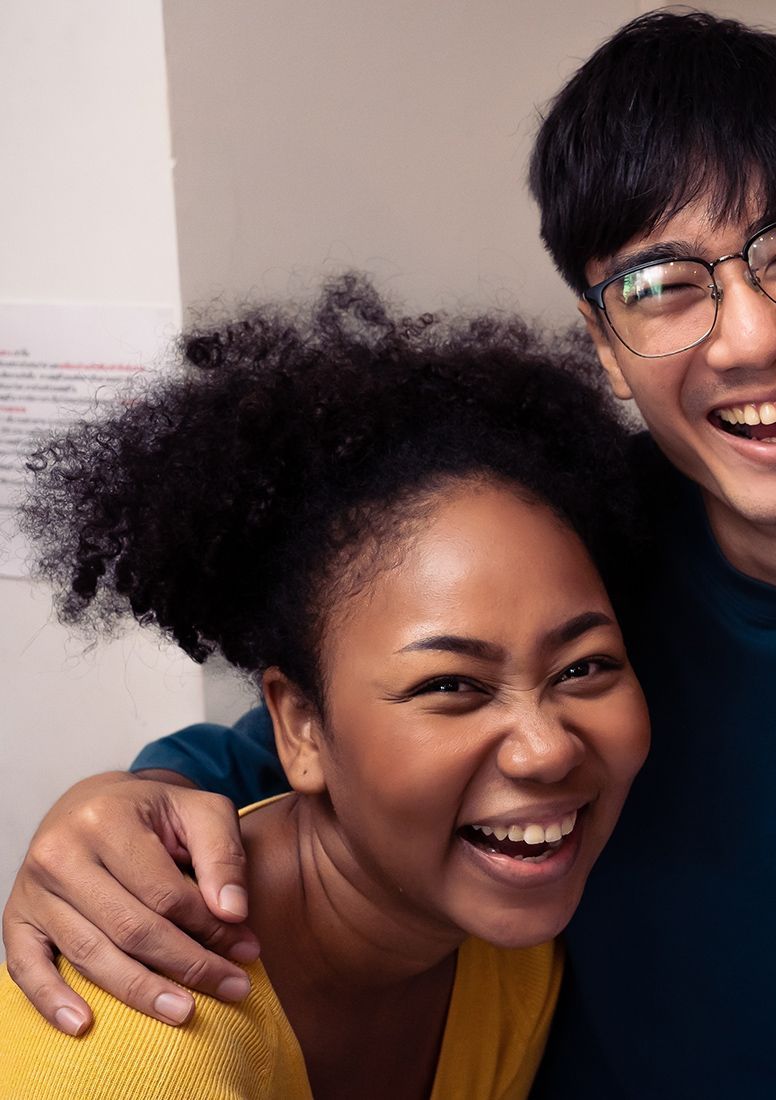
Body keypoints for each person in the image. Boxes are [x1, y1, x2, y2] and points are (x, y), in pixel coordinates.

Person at [0, 13, 776, 1098]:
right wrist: (124, 806)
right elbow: (330, 748)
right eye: (664, 284)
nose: (753, 337)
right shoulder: (567, 554)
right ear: (603, 342)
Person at [0, 279, 653, 1098]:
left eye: (585, 667)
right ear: (300, 726)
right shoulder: (136, 1055)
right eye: (451, 683)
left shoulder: (512, 953)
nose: (548, 749)